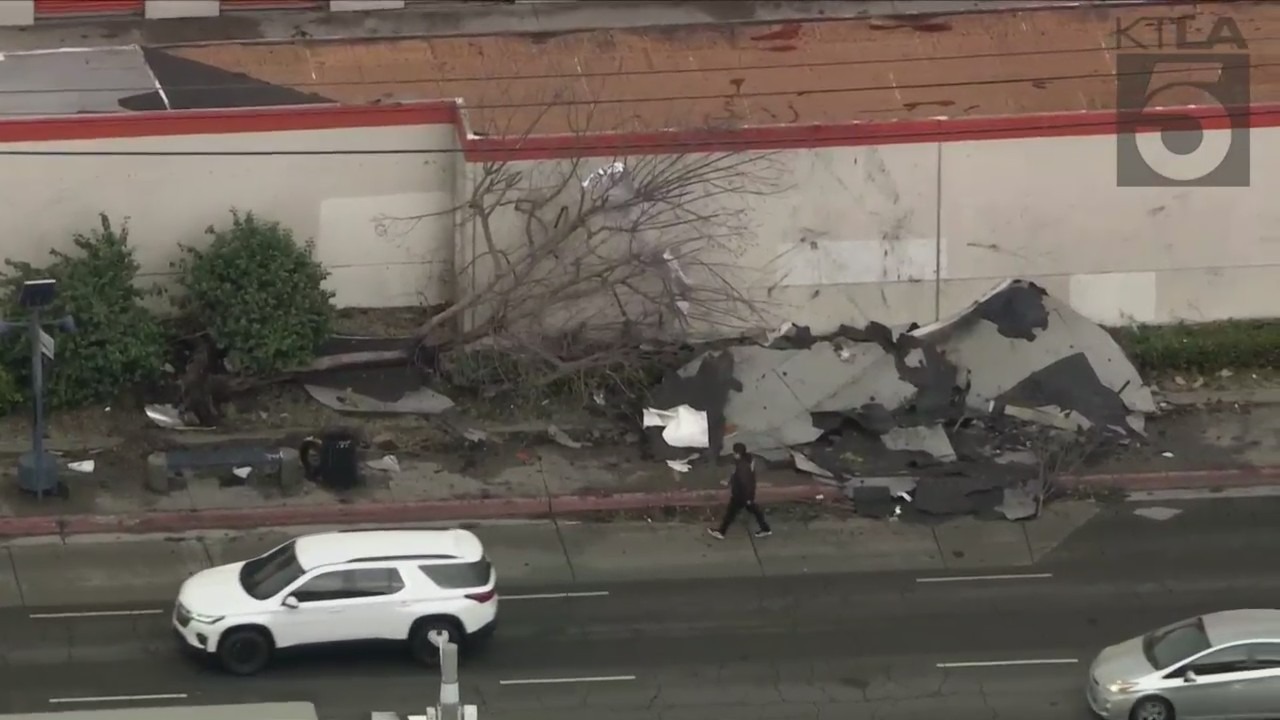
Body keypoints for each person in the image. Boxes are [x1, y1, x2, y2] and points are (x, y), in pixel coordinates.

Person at [707, 442, 772, 540]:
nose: (733, 454)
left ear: (738, 453)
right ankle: (765, 529)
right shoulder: (746, 460)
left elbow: (747, 482)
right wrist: (729, 481)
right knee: (753, 510)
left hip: (741, 494)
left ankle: (721, 532)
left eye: (734, 453)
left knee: (731, 513)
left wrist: (748, 498)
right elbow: (738, 475)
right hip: (743, 494)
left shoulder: (743, 466)